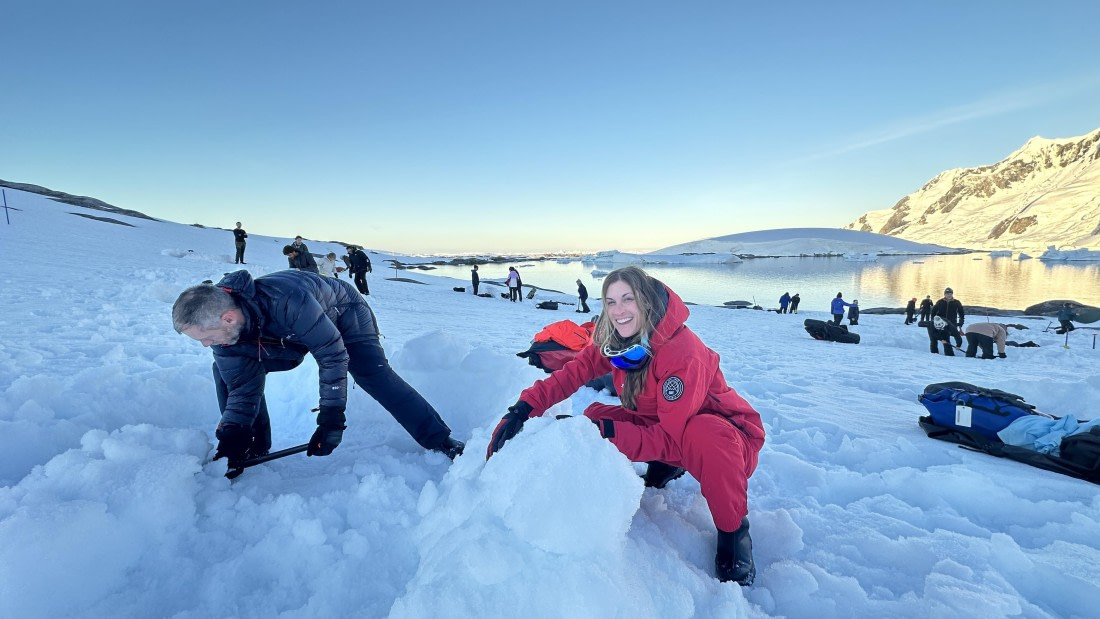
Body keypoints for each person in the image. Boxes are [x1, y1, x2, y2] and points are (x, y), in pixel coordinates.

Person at [485, 266, 764, 585]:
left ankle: (734, 532)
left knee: (703, 437)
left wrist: (606, 436)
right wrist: (523, 408)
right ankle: (666, 467)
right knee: (594, 419)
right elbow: (574, 372)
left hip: (730, 439)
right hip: (666, 421)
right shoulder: (619, 333)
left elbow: (674, 438)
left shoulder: (682, 355)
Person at [171, 270, 465, 465]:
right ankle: (251, 445)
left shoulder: (287, 300)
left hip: (342, 314)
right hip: (282, 336)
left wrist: (331, 419)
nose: (205, 345)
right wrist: (233, 435)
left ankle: (439, 439)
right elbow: (241, 387)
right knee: (225, 372)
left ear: (228, 318)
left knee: (373, 374)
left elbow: (333, 356)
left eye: (207, 337)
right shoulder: (226, 338)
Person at [928, 287, 965, 355]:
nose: (949, 295)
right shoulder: (940, 302)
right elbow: (933, 311)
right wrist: (933, 321)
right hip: (939, 322)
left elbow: (961, 313)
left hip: (951, 323)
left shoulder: (956, 302)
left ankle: (949, 354)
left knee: (946, 339)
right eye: (947, 293)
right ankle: (934, 353)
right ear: (944, 294)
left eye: (950, 293)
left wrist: (961, 322)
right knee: (934, 339)